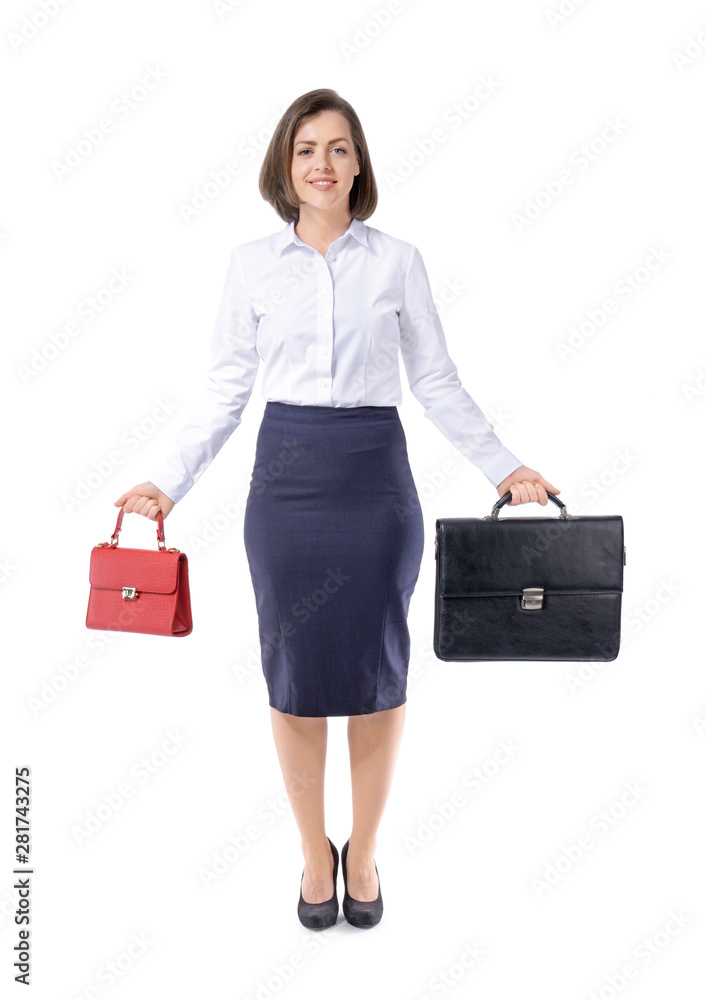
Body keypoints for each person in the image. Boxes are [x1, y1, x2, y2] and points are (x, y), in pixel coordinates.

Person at [114, 88, 560, 929]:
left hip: (373, 484)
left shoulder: (396, 261)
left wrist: (504, 467)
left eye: (339, 147)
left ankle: (365, 849)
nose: (323, 163)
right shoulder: (250, 265)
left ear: (360, 164)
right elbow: (225, 388)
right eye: (306, 148)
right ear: (284, 167)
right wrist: (165, 481)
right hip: (284, 485)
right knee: (294, 681)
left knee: (377, 676)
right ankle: (313, 851)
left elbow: (432, 380)